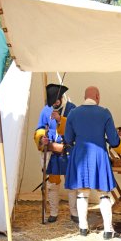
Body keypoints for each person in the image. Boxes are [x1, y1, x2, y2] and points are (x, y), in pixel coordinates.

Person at [64, 86, 121, 238]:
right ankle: (108, 230)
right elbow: (114, 141)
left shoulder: (73, 113)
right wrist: (117, 138)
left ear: (85, 97)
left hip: (80, 155)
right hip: (99, 154)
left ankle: (83, 228)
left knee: (82, 193)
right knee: (104, 194)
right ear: (97, 96)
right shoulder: (104, 113)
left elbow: (68, 139)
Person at [34, 84, 78, 223]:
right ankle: (53, 212)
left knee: (72, 183)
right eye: (53, 100)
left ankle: (74, 212)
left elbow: (76, 128)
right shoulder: (46, 110)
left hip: (69, 151)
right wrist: (42, 138)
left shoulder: (71, 108)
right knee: (53, 184)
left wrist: (60, 119)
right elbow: (40, 128)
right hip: (53, 152)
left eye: (57, 99)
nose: (55, 102)